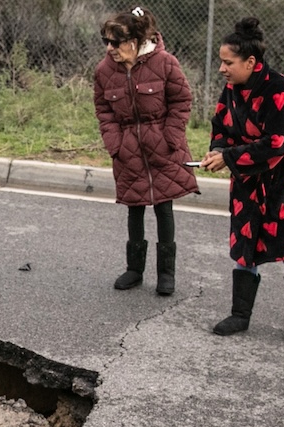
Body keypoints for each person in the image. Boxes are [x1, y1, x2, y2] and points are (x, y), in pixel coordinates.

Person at [200, 17, 284, 344]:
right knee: (246, 244)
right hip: (248, 179)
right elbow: (220, 124)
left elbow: (276, 144)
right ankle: (240, 315)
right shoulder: (232, 89)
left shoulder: (280, 90)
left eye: (228, 63)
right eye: (221, 62)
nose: (222, 69)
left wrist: (229, 158)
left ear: (251, 62)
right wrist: (218, 150)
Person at [93, 6, 199, 296]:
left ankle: (166, 274)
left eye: (116, 42)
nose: (110, 48)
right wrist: (115, 144)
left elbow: (181, 100)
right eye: (106, 41)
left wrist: (171, 137)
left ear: (135, 41)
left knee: (164, 208)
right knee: (134, 207)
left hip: (162, 146)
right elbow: (104, 110)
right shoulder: (104, 71)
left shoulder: (165, 63)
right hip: (128, 149)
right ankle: (134, 270)